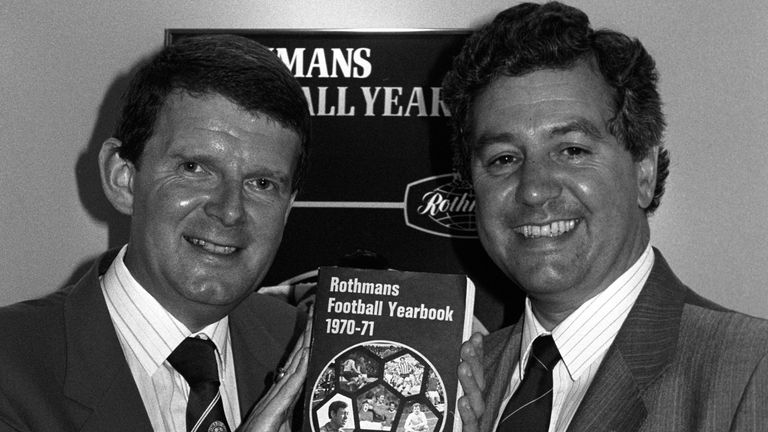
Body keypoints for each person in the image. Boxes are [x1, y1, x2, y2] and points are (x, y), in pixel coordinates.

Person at [442, 2, 768, 431]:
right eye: (504, 159)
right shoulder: (447, 385)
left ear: (644, 173)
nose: (535, 188)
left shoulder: (751, 371)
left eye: (572, 151)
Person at [0, 34, 312, 432]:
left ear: (288, 208)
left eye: (262, 184)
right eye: (194, 169)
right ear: (124, 179)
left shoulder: (309, 351)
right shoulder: (11, 366)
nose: (229, 210)